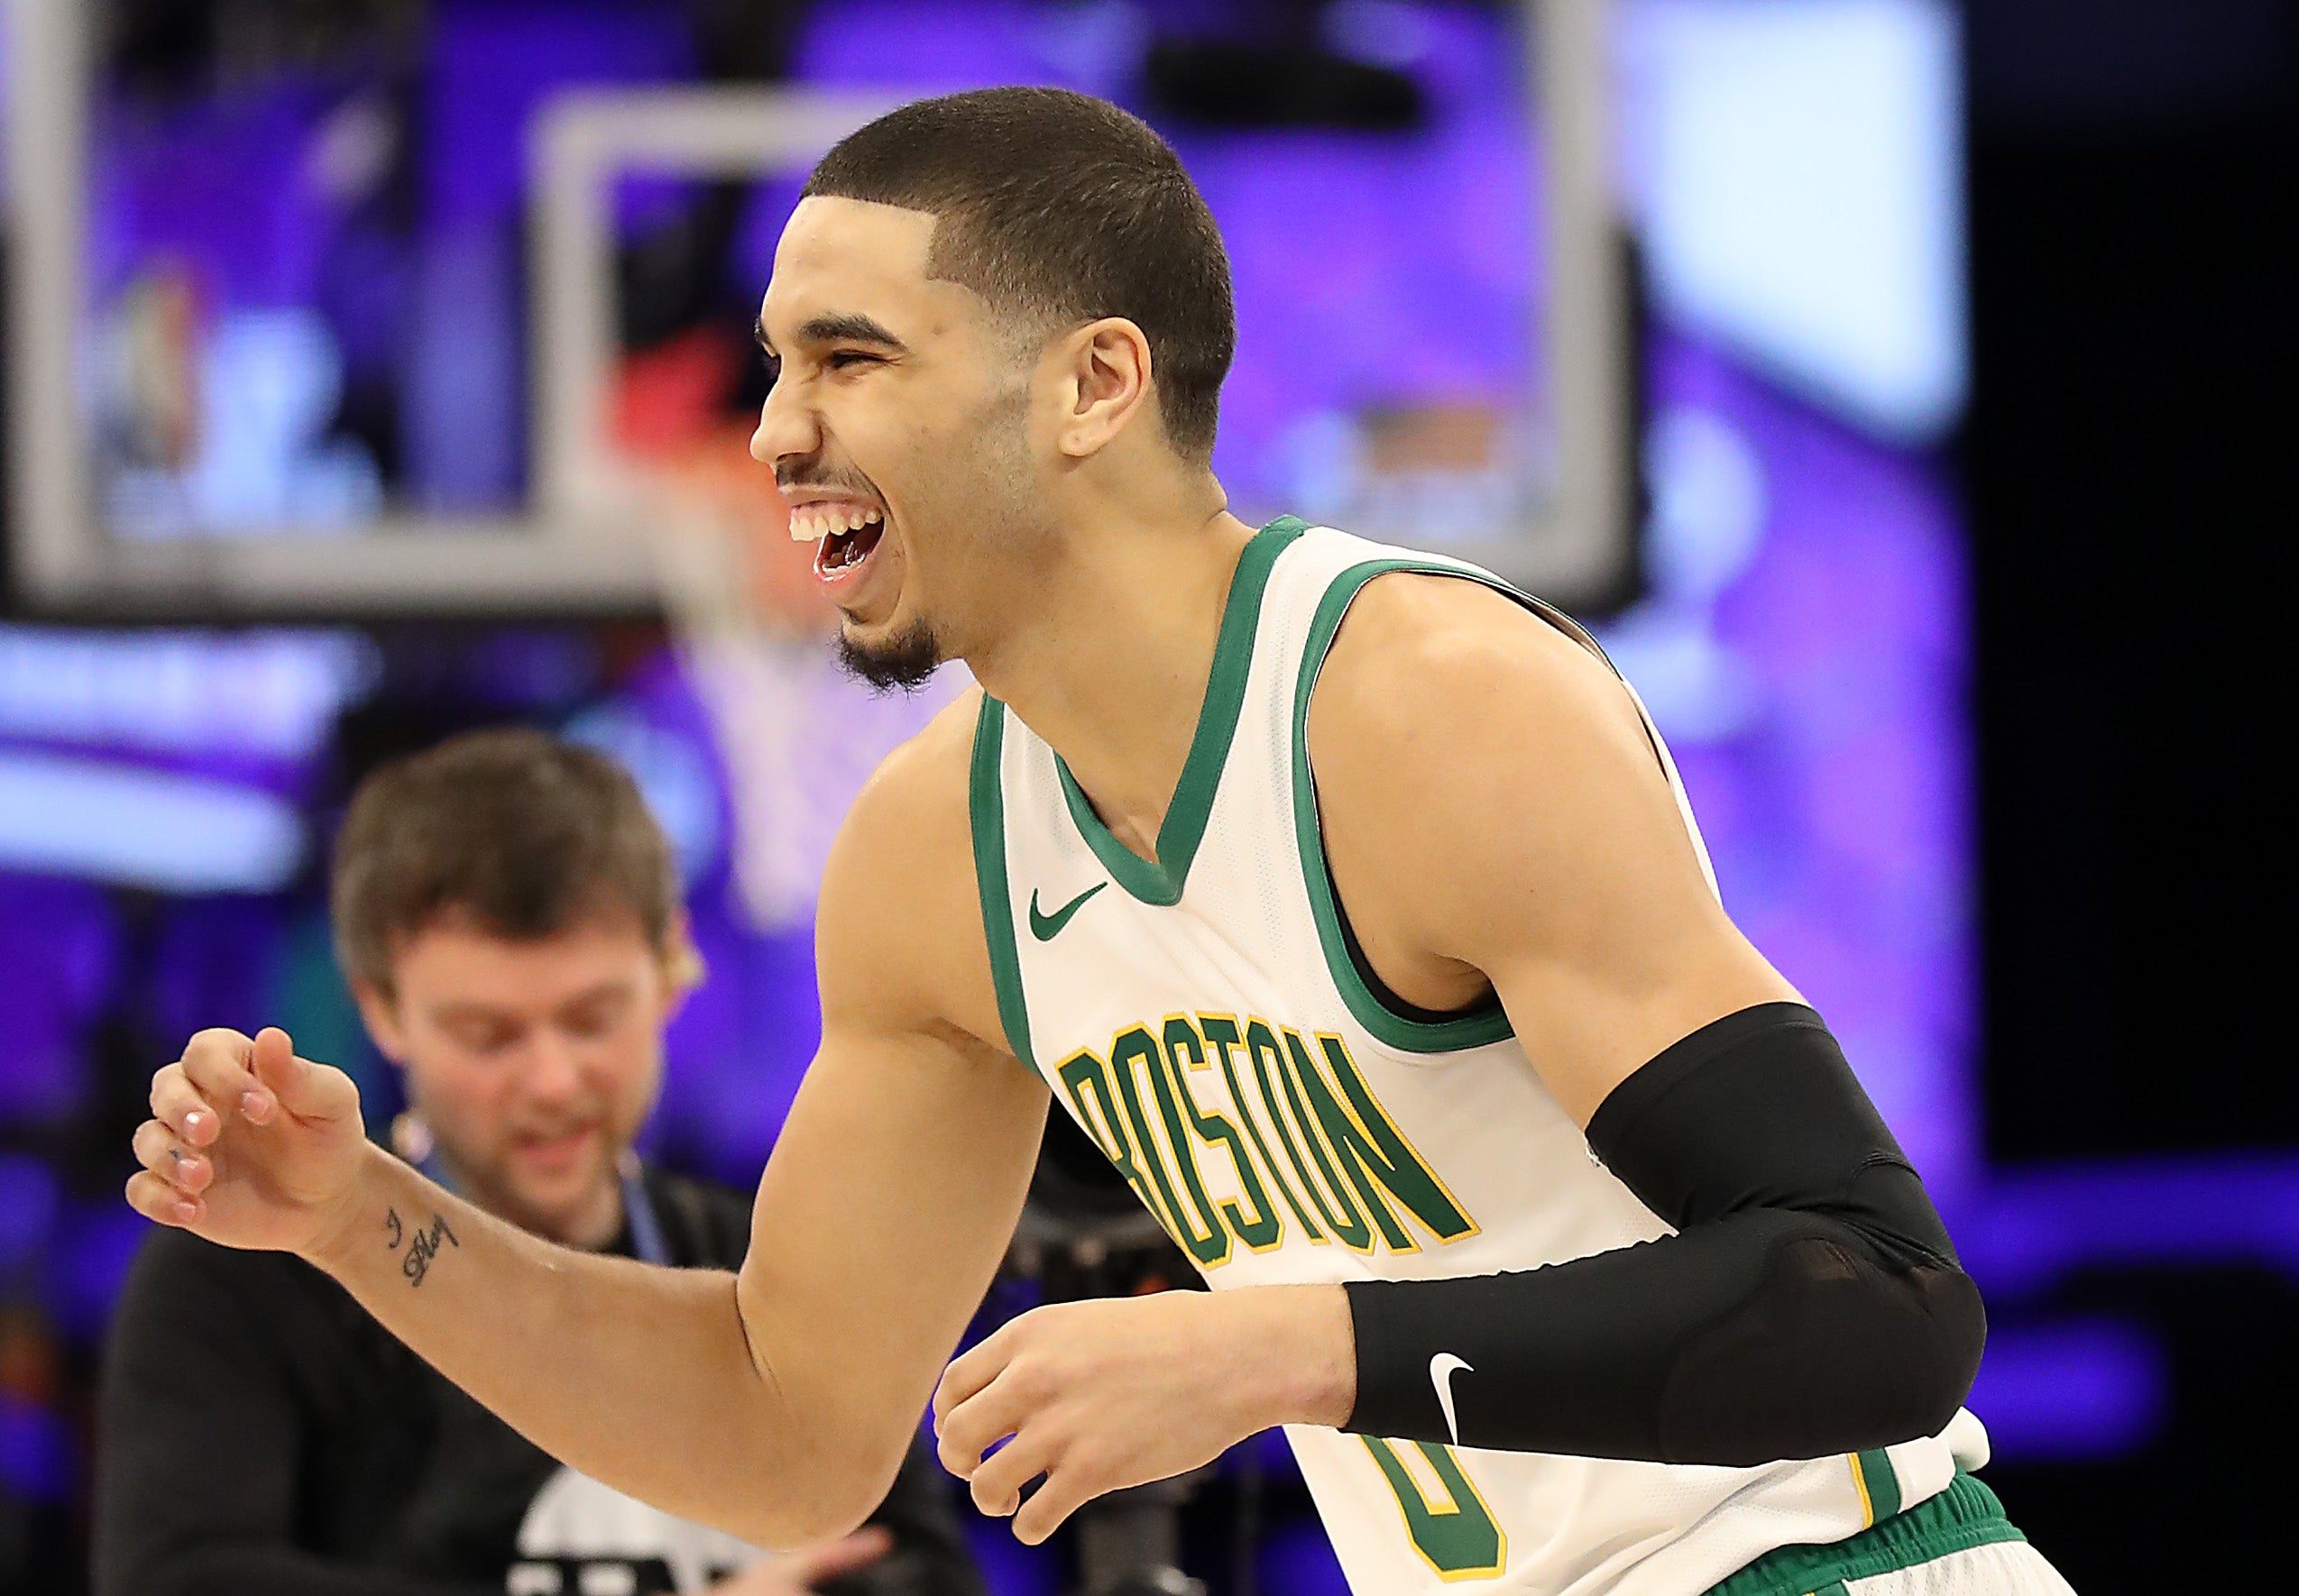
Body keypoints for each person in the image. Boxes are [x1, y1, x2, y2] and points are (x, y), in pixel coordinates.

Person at [124, 87, 2075, 1595]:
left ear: (1091, 384)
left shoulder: (1416, 708)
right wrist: (359, 1224)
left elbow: (1876, 1305)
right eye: (777, 363)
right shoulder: (930, 860)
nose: (775, 431)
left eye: (849, 357)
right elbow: (784, 1427)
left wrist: (1272, 1351)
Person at [98, 729, 984, 1596]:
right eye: (487, 1035)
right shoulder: (253, 1268)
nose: (553, 1082)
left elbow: (915, 1564)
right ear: (380, 1007)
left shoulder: (757, 1245)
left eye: (593, 1017)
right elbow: (183, 1576)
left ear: (673, 966)